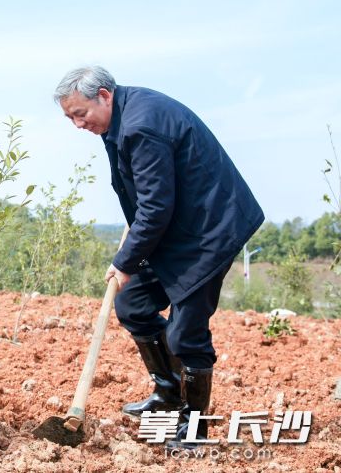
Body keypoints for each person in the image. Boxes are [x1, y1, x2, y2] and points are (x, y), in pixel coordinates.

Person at [54, 66, 263, 450]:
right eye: (69, 117)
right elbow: (146, 196)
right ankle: (168, 391)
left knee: (186, 334)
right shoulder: (119, 119)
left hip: (208, 232)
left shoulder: (141, 125)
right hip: (175, 228)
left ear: (103, 95)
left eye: (79, 114)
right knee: (132, 304)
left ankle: (193, 429)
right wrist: (133, 256)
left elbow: (155, 208)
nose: (77, 124)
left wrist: (125, 262)